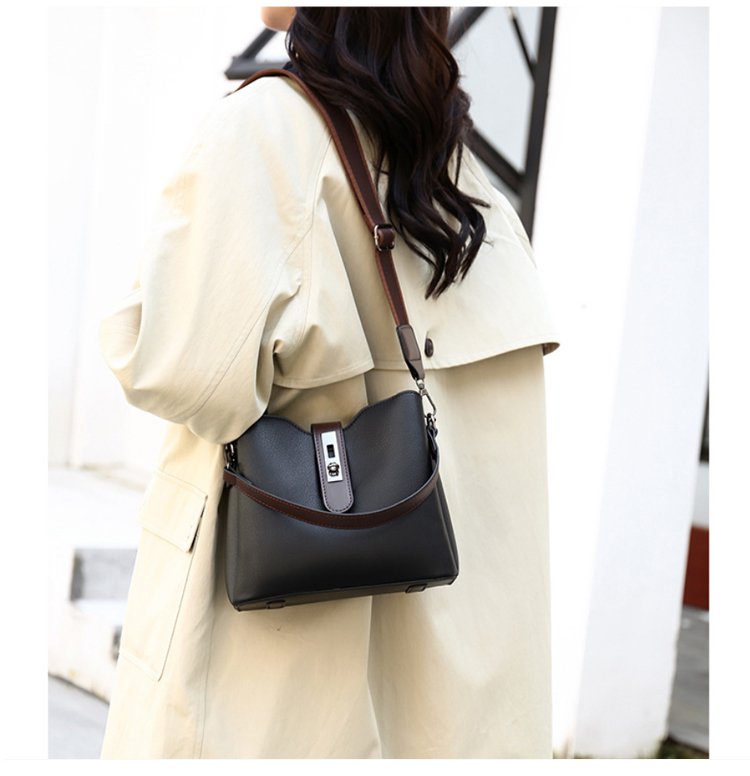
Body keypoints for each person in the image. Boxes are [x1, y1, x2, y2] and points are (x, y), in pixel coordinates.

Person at [98, 7, 561, 758]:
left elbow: (172, 366)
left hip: (281, 694)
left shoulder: (267, 135)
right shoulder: (462, 176)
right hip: (458, 701)